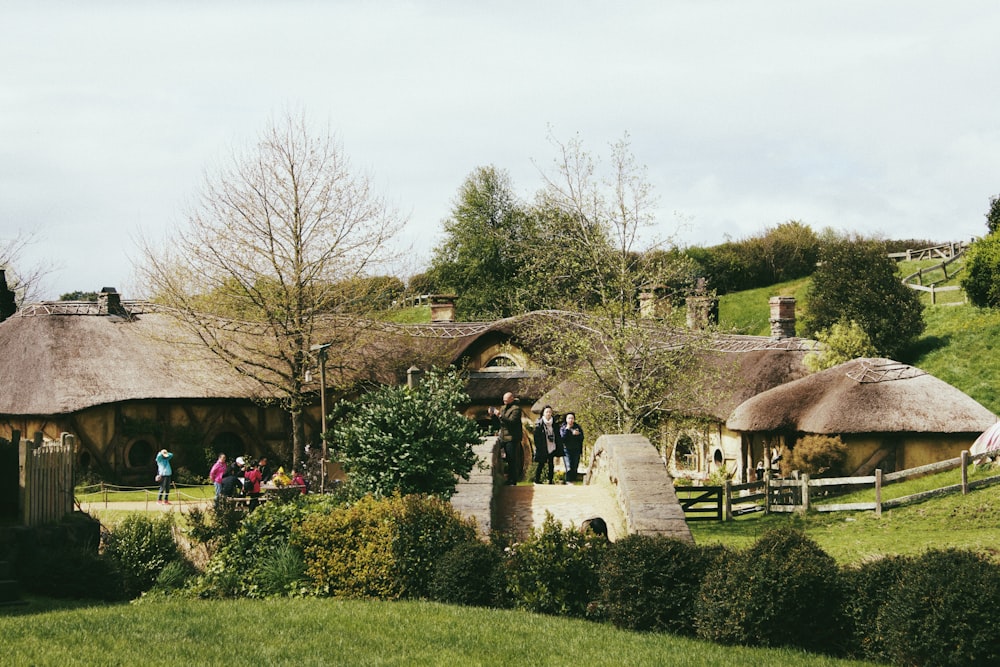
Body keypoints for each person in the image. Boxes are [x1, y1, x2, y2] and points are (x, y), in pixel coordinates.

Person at [489, 392, 523, 485]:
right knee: (500, 456)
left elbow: (512, 422)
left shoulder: (516, 409)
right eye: (503, 400)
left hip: (512, 437)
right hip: (503, 436)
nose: (504, 402)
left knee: (511, 459)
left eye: (506, 400)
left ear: (512, 398)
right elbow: (499, 423)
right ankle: (505, 478)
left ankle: (513, 480)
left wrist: (500, 415)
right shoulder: (503, 408)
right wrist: (493, 416)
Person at [532, 405, 563, 484]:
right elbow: (536, 436)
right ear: (543, 413)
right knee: (541, 463)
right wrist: (538, 446)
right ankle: (537, 479)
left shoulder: (554, 424)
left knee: (551, 463)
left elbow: (557, 435)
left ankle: (550, 480)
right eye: (547, 412)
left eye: (550, 412)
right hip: (543, 446)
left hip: (552, 445)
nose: (548, 414)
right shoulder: (539, 424)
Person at [559, 412, 585, 483]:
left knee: (574, 467)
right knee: (568, 467)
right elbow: (562, 438)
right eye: (569, 418)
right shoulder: (563, 428)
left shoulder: (577, 427)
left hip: (576, 450)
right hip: (566, 450)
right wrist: (567, 430)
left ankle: (573, 481)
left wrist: (578, 434)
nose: (571, 420)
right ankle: (568, 481)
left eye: (572, 418)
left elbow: (582, 437)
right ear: (566, 419)